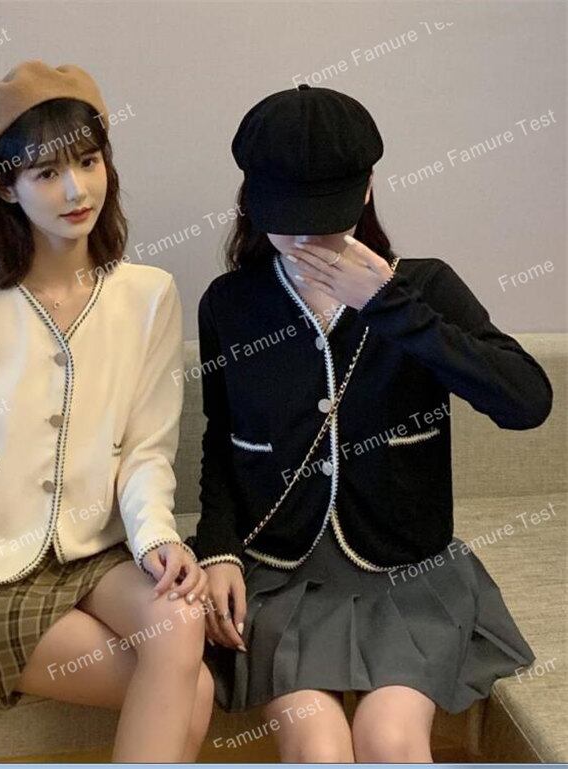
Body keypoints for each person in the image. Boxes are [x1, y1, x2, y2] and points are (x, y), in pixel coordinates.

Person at [186, 84, 552, 763]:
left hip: (406, 575)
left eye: (322, 216)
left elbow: (526, 402)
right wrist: (217, 550)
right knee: (317, 747)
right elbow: (222, 440)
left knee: (391, 740)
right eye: (286, 217)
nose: (304, 237)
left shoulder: (423, 288)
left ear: (366, 190)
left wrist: (388, 304)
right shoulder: (231, 304)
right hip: (279, 576)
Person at [0, 60, 213, 762]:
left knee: (181, 621)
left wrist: (156, 539)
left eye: (88, 161)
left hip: (94, 554)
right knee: (195, 690)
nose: (76, 189)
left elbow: (146, 452)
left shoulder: (148, 296)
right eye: (47, 172)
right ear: (5, 186)